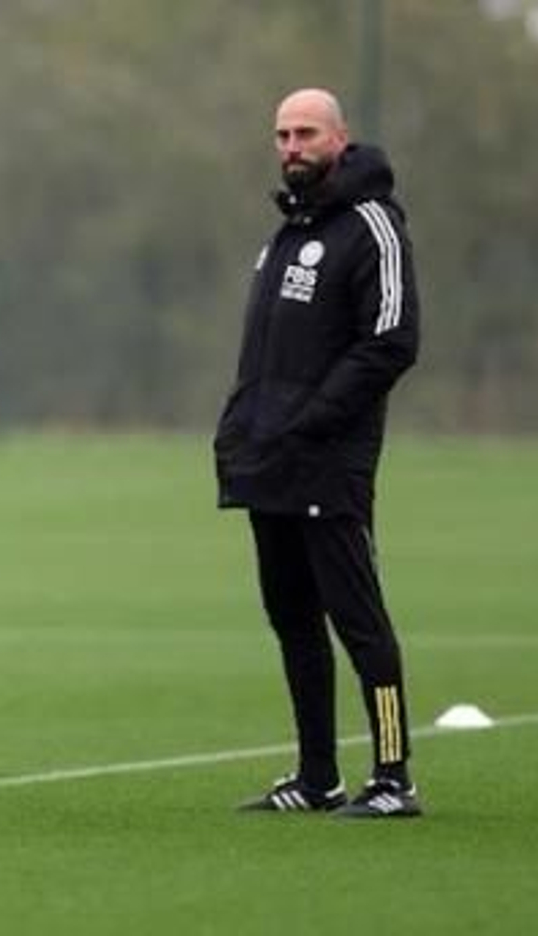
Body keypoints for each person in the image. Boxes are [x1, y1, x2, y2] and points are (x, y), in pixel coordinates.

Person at [214, 89, 422, 818]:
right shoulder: (284, 234)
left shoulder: (372, 227)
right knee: (292, 620)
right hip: (268, 460)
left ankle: (394, 777)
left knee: (358, 621)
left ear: (340, 138)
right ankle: (317, 777)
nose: (291, 146)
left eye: (305, 133)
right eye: (281, 134)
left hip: (330, 463)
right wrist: (242, 428)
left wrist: (313, 418)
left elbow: (392, 341)